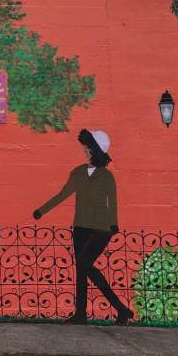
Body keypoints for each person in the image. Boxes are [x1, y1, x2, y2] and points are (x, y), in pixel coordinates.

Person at [33, 128, 135, 325]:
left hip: (101, 228)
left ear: (96, 150)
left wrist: (113, 223)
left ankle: (121, 309)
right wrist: (42, 211)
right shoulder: (78, 173)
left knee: (85, 264)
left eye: (87, 148)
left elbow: (112, 202)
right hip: (80, 226)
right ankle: (81, 314)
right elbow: (62, 195)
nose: (84, 151)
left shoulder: (106, 176)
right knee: (82, 269)